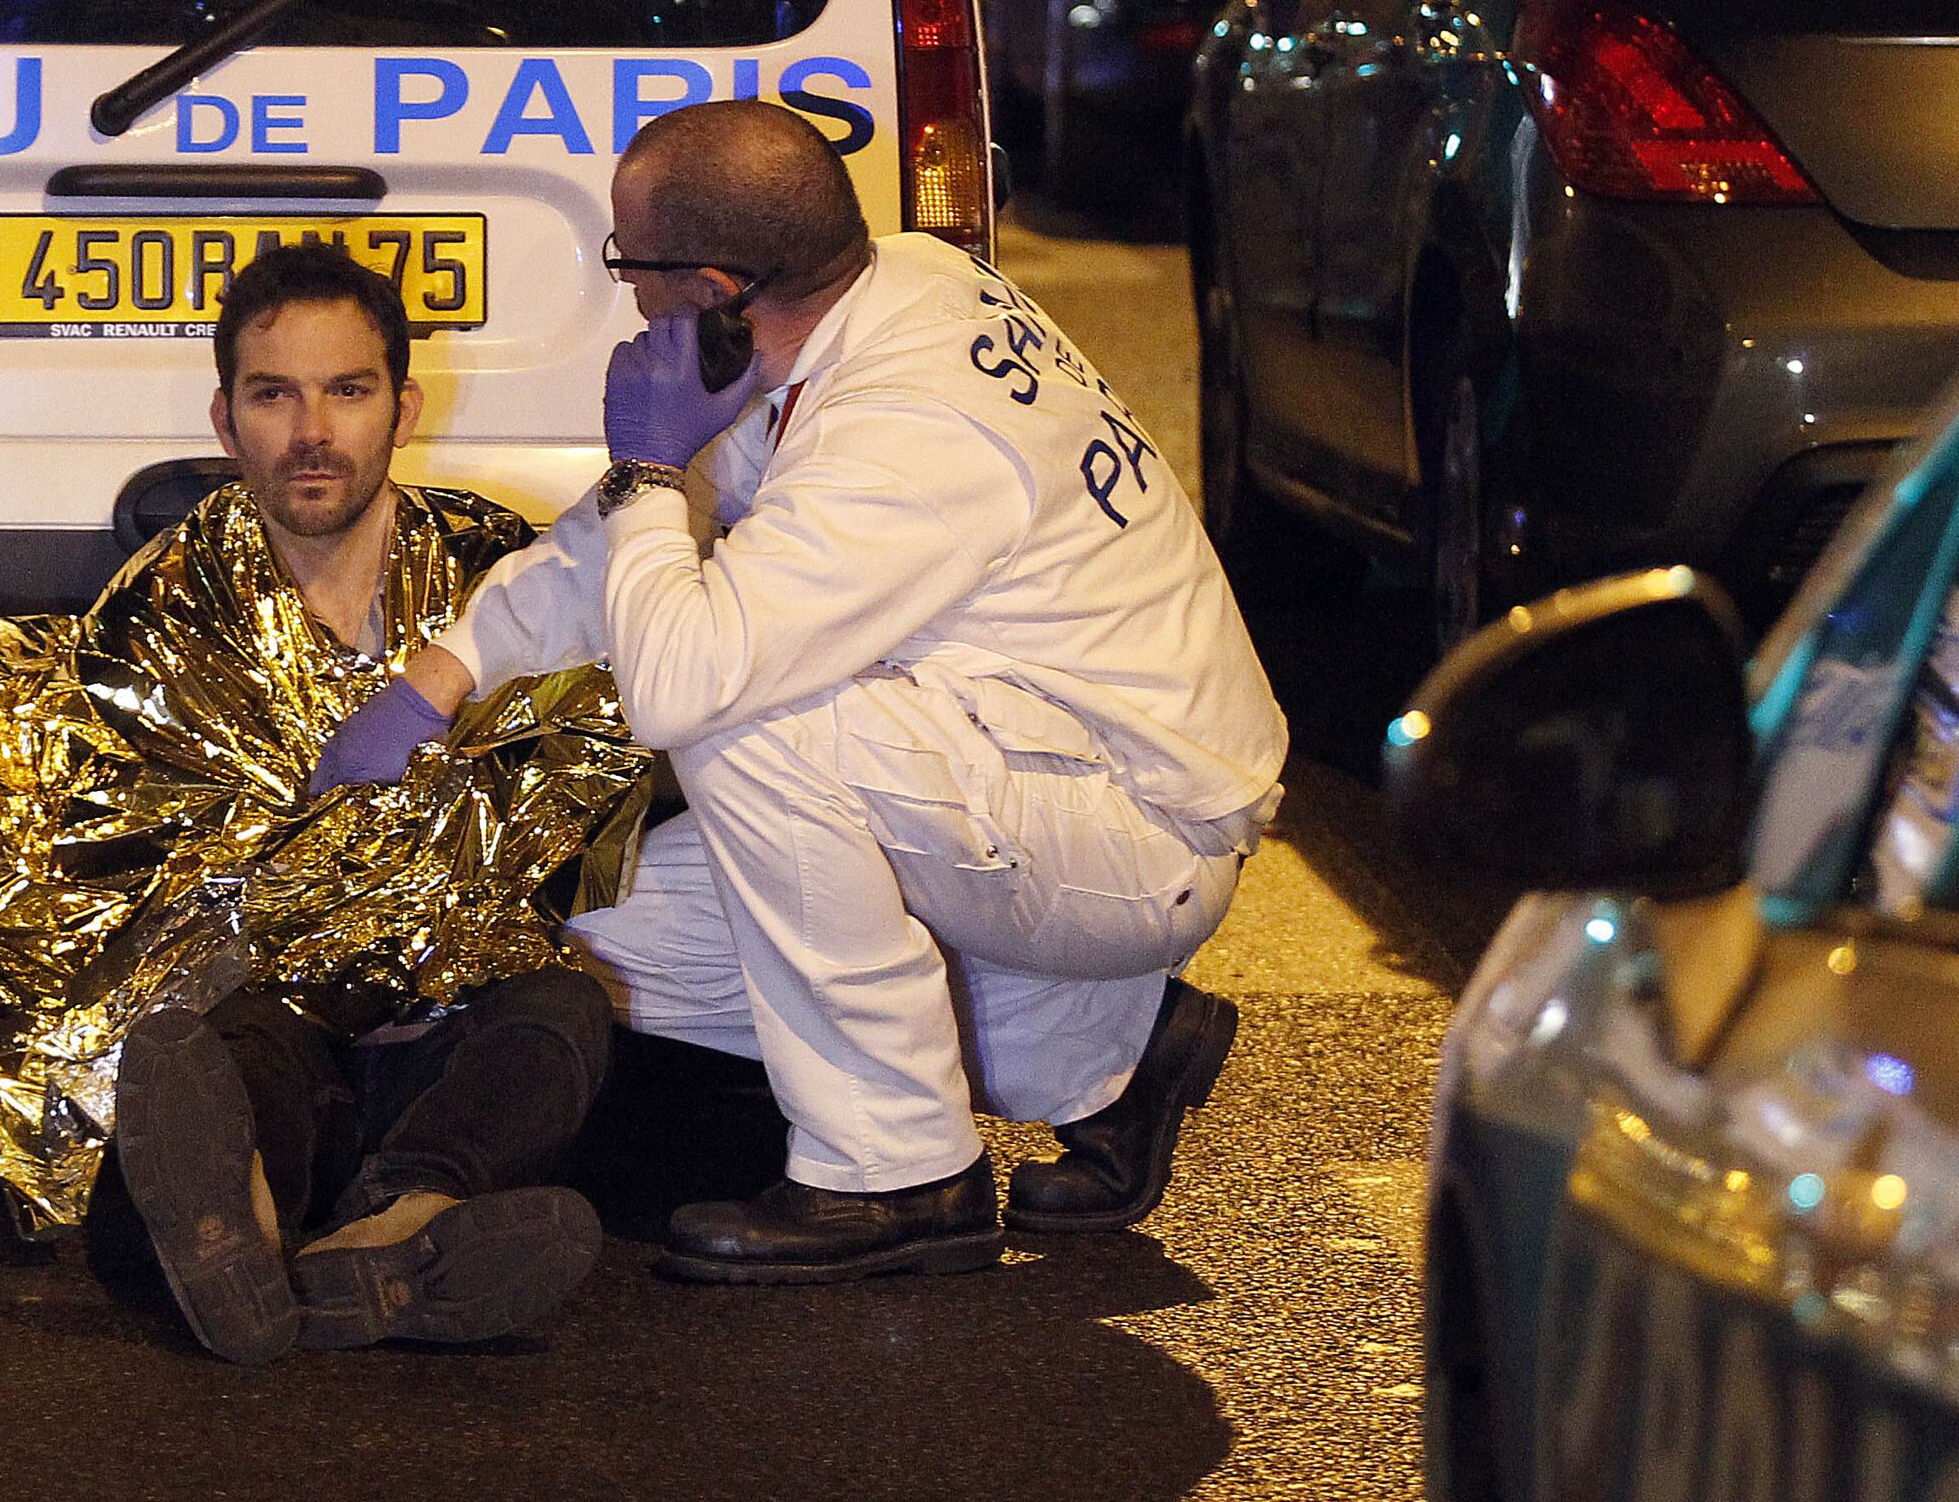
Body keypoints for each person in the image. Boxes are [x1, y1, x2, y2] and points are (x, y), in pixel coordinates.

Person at [307, 101, 1289, 1284]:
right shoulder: (888, 291)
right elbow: (631, 543)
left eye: (628, 264)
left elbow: (680, 678)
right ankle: (1115, 1051)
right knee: (608, 944)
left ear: (714, 287)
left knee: (749, 722)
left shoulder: (907, 433)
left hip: (1130, 831)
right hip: (1028, 779)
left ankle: (900, 1173)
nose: (625, 296)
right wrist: (440, 674)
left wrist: (648, 467)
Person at [0, 243, 633, 1365]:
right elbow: (142, 875)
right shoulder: (169, 604)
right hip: (278, 1012)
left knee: (559, 1013)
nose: (312, 430)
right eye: (275, 395)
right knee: (209, 1058)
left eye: (346, 390)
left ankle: (394, 1221)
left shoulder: (501, 568)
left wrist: (420, 914)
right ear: (227, 420)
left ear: (402, 406)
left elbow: (571, 786)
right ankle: (275, 1227)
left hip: (457, 1007)